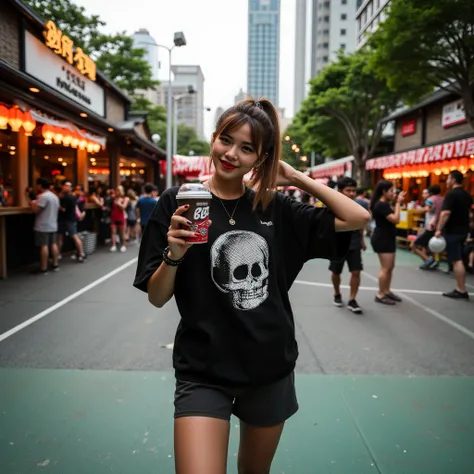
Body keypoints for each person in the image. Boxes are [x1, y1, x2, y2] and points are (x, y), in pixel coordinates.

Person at [133, 98, 370, 474]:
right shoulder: (178, 203)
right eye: (226, 140)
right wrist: (174, 253)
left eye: (247, 148)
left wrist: (294, 177)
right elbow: (158, 297)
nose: (231, 154)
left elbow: (358, 216)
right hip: (203, 370)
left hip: (269, 367)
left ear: (261, 158)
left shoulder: (274, 207)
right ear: (214, 139)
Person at [330, 177, 366, 313]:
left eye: (354, 191)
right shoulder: (333, 205)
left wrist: (362, 240)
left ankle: (352, 299)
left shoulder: (359, 205)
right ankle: (337, 294)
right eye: (348, 190)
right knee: (335, 272)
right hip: (338, 243)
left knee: (356, 271)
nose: (352, 193)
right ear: (340, 191)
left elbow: (362, 223)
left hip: (355, 242)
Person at [435, 170, 473, 299]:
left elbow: (445, 213)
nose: (446, 181)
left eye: (448, 179)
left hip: (453, 231)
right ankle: (460, 288)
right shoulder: (467, 195)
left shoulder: (452, 195)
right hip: (463, 230)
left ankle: (461, 289)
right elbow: (470, 214)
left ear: (453, 180)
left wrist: (439, 229)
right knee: (459, 258)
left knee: (456, 260)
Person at [370, 180, 406, 305]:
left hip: (387, 237)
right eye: (391, 191)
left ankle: (387, 291)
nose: (393, 193)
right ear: (384, 191)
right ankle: (380, 294)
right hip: (382, 238)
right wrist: (398, 203)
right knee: (386, 268)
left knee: (390, 267)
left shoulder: (384, 204)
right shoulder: (381, 205)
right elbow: (396, 219)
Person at [26, 178, 60, 274]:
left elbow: (36, 210)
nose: (36, 187)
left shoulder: (44, 197)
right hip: (53, 224)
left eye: (37, 185)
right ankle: (55, 264)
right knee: (53, 244)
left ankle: (43, 268)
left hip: (43, 225)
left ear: (40, 185)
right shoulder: (55, 197)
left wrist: (32, 203)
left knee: (44, 246)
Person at [410, 185, 444, 270]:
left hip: (430, 225)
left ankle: (428, 260)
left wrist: (415, 211)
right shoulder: (443, 199)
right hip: (438, 226)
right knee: (431, 246)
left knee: (413, 245)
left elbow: (428, 209)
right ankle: (434, 261)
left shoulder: (430, 199)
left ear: (431, 193)